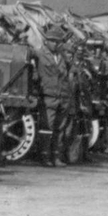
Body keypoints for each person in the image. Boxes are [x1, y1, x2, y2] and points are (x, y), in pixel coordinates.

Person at [33, 24, 75, 167]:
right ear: (46, 41)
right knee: (47, 128)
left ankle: (56, 157)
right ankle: (44, 156)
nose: (56, 44)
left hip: (62, 97)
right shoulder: (39, 54)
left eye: (58, 41)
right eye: (53, 41)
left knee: (60, 129)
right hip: (48, 96)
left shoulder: (63, 57)